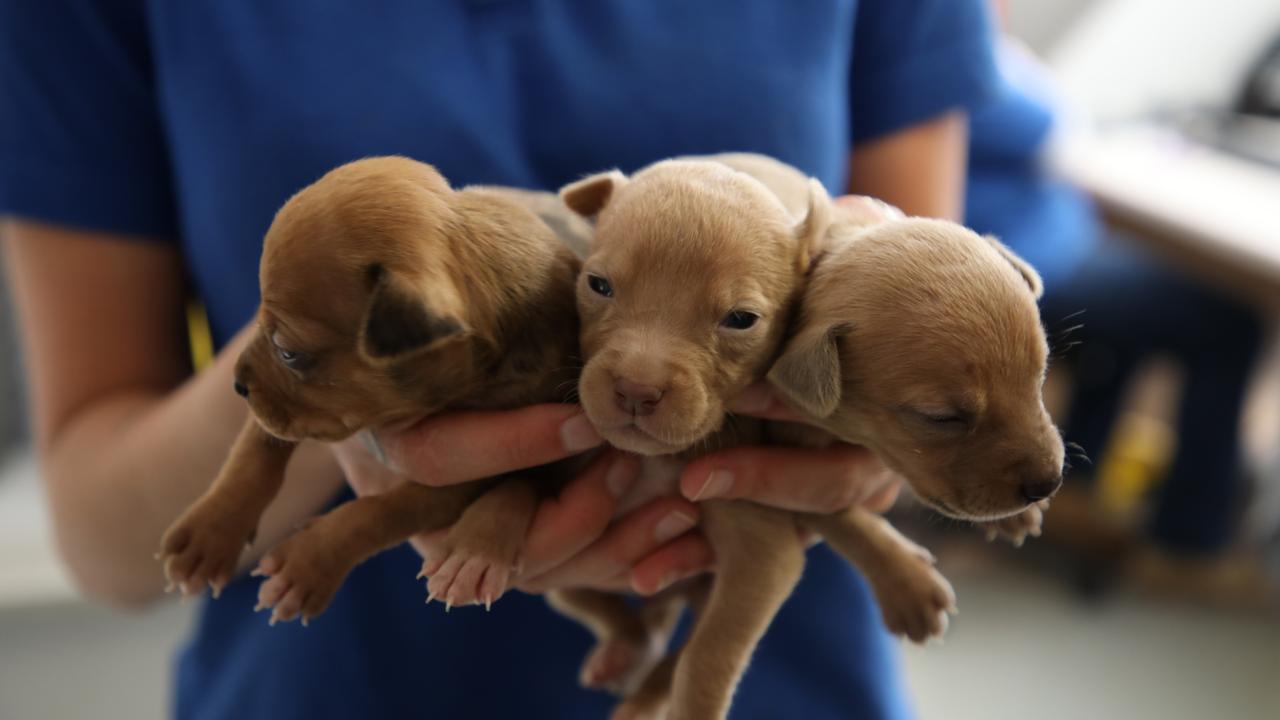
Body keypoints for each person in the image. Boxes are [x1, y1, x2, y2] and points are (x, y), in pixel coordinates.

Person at [0, 2, 997, 718]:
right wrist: (333, 411)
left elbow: (927, 354)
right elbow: (97, 535)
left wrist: (881, 429)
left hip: (782, 676)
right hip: (331, 690)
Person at [963, 37, 1264, 560]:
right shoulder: (952, 49)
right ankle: (1189, 543)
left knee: (1141, 310)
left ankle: (1079, 491)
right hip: (1023, 267)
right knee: (1228, 320)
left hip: (1054, 247)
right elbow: (1046, 124)